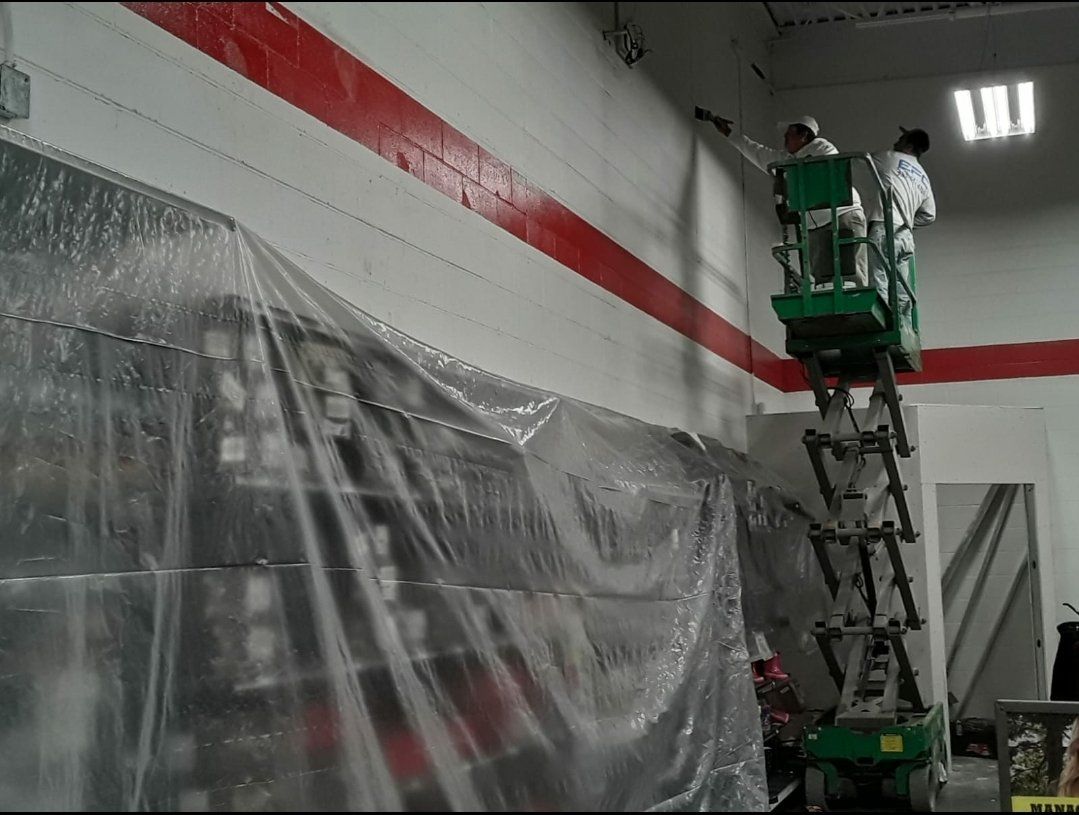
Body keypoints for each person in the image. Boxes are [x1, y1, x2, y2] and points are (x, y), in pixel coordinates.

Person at [706, 113, 868, 287]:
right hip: (815, 225)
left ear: (804, 135)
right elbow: (757, 152)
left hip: (842, 215)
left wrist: (787, 177)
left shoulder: (821, 147)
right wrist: (730, 134)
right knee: (823, 281)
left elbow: (826, 167)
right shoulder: (786, 159)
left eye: (789, 133)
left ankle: (858, 299)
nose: (785, 138)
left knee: (851, 274)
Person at [868, 127, 936, 313]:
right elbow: (929, 215)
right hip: (905, 236)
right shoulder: (923, 176)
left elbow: (861, 160)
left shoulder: (889, 157)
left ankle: (880, 320)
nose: (895, 142)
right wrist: (906, 222)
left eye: (900, 139)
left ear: (908, 146)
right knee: (901, 283)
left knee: (879, 277)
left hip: (884, 226)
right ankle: (902, 322)